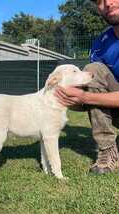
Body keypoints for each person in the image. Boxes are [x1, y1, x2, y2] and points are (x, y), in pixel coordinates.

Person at [55, 0, 119, 174]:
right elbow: (92, 88)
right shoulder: (101, 43)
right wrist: (65, 96)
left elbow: (89, 97)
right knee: (93, 70)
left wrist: (86, 98)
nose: (108, 3)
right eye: (100, 1)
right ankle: (107, 149)